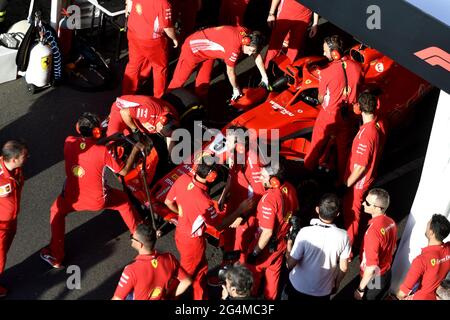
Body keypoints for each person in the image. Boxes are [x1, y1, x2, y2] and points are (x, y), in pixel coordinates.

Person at [40, 113, 143, 268]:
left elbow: (86, 147)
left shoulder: (68, 142)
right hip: (98, 200)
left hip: (71, 198)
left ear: (78, 128)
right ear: (96, 131)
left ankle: (56, 255)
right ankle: (140, 237)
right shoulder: (102, 152)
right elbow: (123, 171)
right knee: (123, 202)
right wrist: (135, 149)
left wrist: (108, 140)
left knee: (56, 211)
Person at [164, 155, 253, 300]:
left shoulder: (183, 179)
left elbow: (168, 202)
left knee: (201, 270)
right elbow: (218, 225)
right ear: (212, 177)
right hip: (193, 243)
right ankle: (167, 297)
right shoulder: (204, 201)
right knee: (184, 278)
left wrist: (184, 213)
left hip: (181, 233)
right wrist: (239, 210)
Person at [303, 35, 362, 181]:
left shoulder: (326, 71)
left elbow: (321, 97)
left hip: (329, 116)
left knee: (316, 144)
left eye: (325, 51)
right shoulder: (357, 67)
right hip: (349, 115)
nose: (323, 54)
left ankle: (305, 171)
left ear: (334, 53)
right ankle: (342, 180)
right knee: (344, 152)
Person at [167, 26, 269, 100]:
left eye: (252, 51)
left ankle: (200, 105)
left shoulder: (247, 33)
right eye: (250, 50)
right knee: (178, 81)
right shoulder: (234, 49)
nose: (250, 54)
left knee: (204, 82)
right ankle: (166, 101)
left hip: (209, 52)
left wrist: (265, 77)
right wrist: (236, 88)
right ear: (246, 42)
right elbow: (230, 73)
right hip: (192, 49)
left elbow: (257, 55)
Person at [245, 160, 299, 300]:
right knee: (273, 278)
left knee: (252, 278)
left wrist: (254, 253)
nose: (260, 177)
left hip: (265, 247)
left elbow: (267, 232)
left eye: (263, 176)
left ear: (274, 181)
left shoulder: (268, 200)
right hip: (281, 244)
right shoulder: (290, 188)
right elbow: (295, 212)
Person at [284, 193, 351, 301]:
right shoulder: (344, 236)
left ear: (317, 209)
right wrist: (336, 284)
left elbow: (290, 264)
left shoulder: (305, 232)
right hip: (323, 292)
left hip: (298, 288)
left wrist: (289, 243)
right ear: (337, 214)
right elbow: (344, 267)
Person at [342, 92, 385, 247]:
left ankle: (347, 249)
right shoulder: (378, 124)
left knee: (352, 213)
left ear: (359, 108)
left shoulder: (367, 134)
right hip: (370, 175)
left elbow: (360, 167)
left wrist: (346, 184)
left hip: (358, 181)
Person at [218, 126, 266, 264]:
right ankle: (225, 269)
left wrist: (242, 216)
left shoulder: (252, 160)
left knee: (239, 247)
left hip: (245, 211)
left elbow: (259, 193)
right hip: (233, 203)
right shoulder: (235, 154)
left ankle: (235, 278)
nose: (225, 143)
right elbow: (231, 177)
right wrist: (222, 196)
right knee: (227, 240)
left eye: (228, 141)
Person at [112, 223, 192, 300]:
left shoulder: (131, 271)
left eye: (132, 237)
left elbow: (117, 298)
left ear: (140, 244)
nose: (131, 239)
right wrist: (170, 296)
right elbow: (187, 281)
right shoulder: (169, 258)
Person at [123, 0, 178, 98]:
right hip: (152, 40)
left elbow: (128, 5)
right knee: (160, 68)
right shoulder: (163, 3)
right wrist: (174, 38)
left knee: (133, 65)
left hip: (133, 34)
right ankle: (158, 97)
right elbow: (167, 27)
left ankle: (126, 94)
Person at [355, 188, 397, 300]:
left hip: (374, 278)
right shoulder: (391, 222)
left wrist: (360, 289)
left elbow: (371, 267)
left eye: (368, 203)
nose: (363, 203)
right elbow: (393, 248)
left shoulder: (372, 233)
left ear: (378, 208)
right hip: (386, 272)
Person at [396, 214, 450, 300]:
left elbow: (402, 293)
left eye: (428, 225)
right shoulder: (448, 249)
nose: (426, 226)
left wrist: (398, 295)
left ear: (431, 232)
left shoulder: (421, 260)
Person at [0, 140, 28, 298]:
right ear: (13, 159)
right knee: (0, 260)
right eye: (24, 156)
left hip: (11, 221)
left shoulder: (16, 170)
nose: (27, 158)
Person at [106, 95, 178, 152]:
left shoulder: (173, 118)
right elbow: (124, 112)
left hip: (137, 116)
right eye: (159, 130)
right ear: (161, 120)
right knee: (112, 143)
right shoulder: (148, 111)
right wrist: (135, 130)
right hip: (120, 110)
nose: (158, 132)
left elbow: (170, 137)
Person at [264, 0, 319, 68]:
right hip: (285, 14)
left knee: (294, 49)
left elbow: (317, 3)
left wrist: (315, 23)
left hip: (304, 18)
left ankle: (286, 73)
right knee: (274, 45)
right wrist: (271, 13)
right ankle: (265, 69)